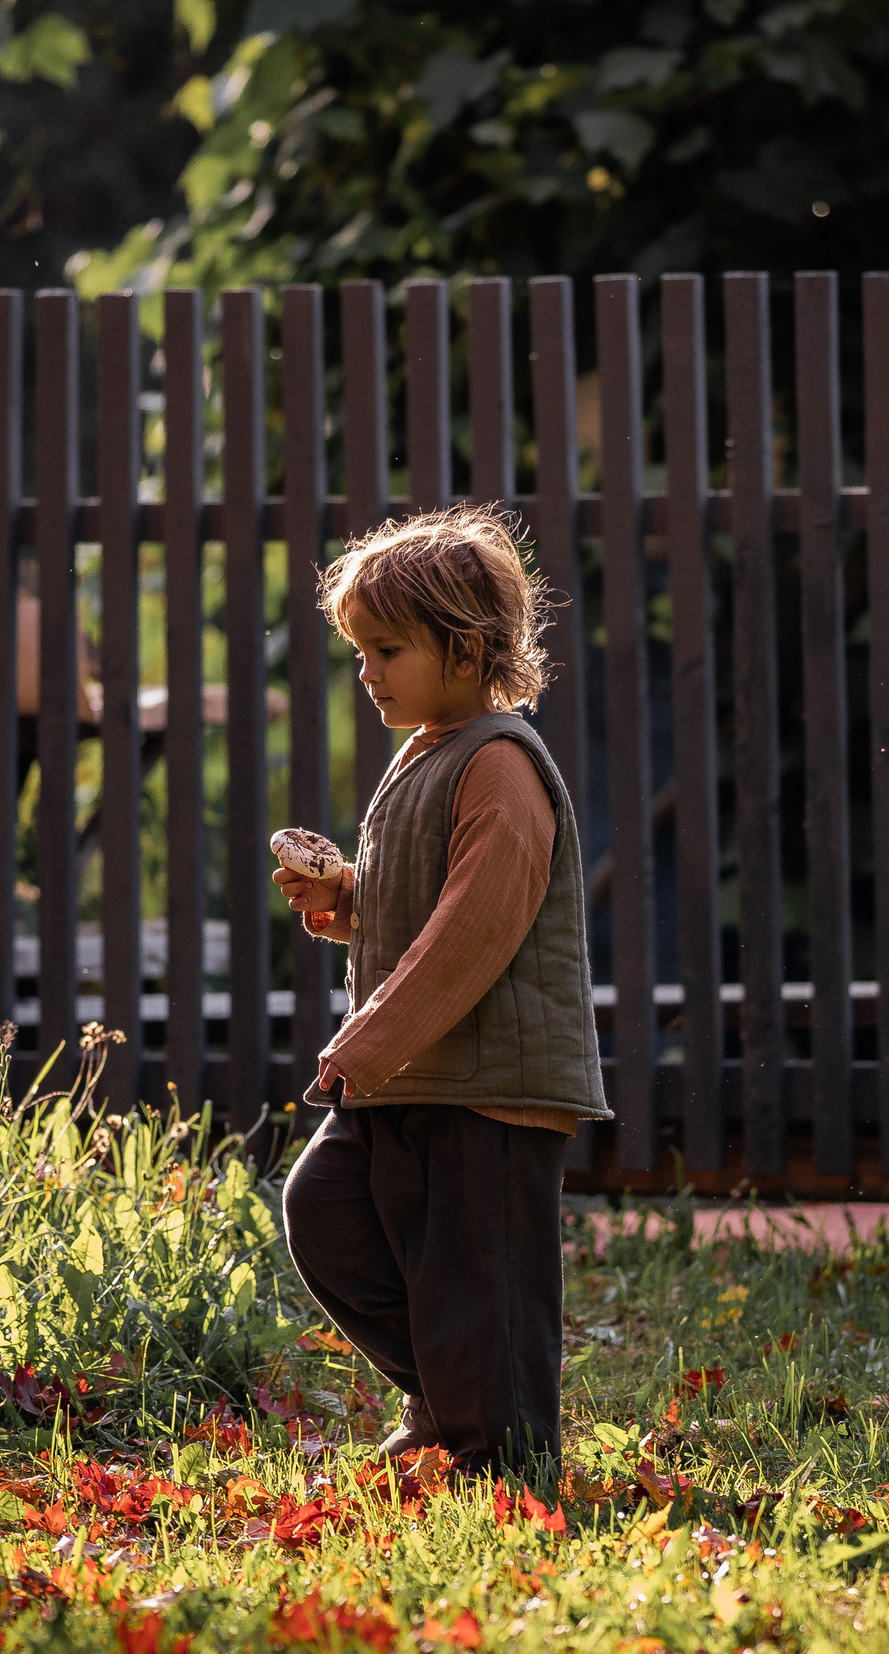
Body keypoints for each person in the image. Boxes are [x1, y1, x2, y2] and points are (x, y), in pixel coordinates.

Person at [272, 503, 610, 1474]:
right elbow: (423, 898)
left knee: (480, 1280)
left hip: (486, 1082)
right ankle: (452, 1404)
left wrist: (369, 1039)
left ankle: (503, 1459)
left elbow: (475, 929)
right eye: (358, 653)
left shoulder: (500, 766)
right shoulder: (425, 750)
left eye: (386, 650)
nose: (366, 673)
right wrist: (348, 897)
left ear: (464, 652)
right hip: (418, 1069)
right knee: (328, 1214)